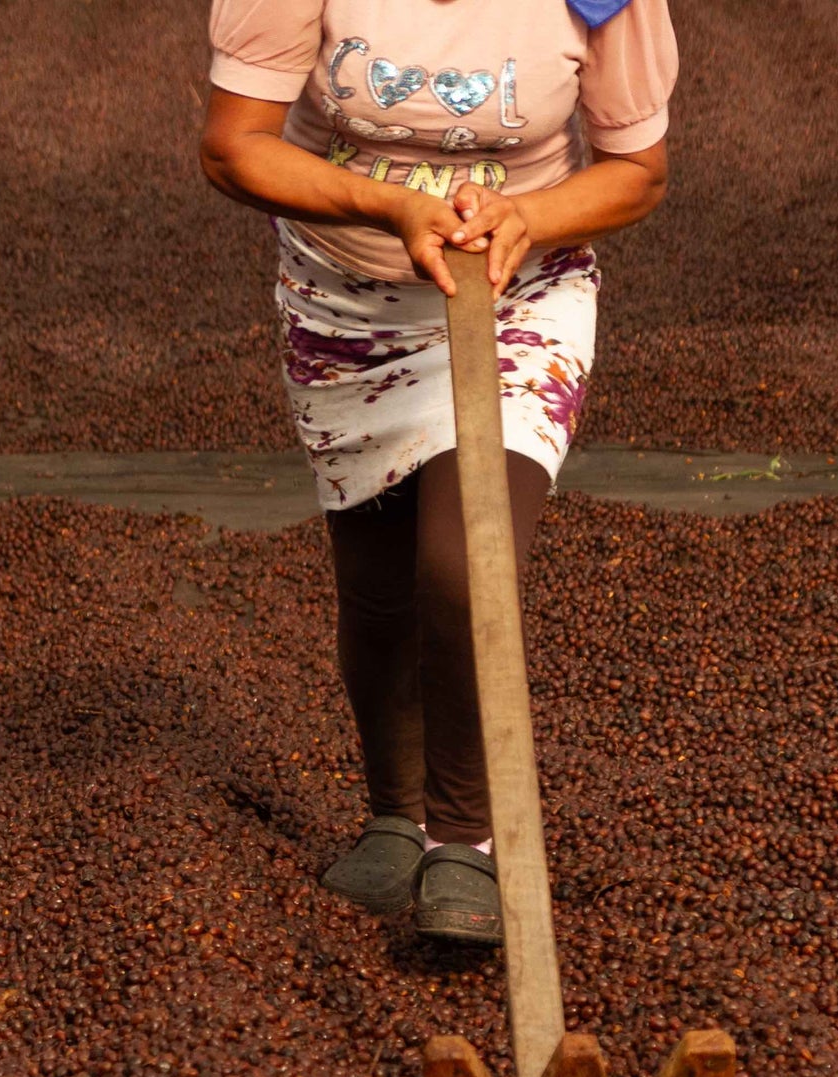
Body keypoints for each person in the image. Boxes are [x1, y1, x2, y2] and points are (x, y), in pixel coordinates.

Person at [200, 0, 678, 944]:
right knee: (376, 588)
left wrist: (527, 215)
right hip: (346, 304)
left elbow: (638, 172)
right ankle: (396, 816)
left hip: (519, 291)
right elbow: (232, 147)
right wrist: (388, 203)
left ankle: (465, 840)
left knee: (466, 557)